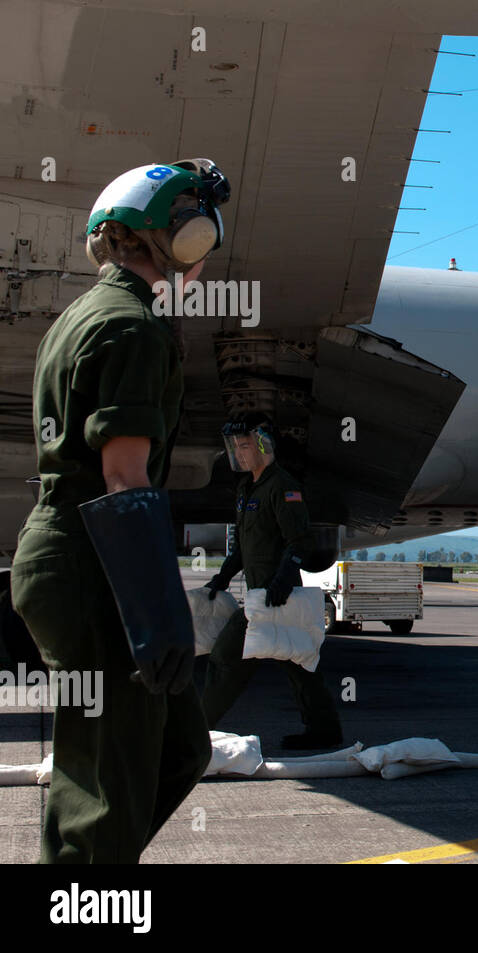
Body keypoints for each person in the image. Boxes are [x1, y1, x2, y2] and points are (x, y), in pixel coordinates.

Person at [10, 160, 230, 862]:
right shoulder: (134, 326)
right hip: (98, 561)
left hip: (66, 551)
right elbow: (122, 472)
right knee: (105, 787)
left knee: (174, 747)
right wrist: (156, 611)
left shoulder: (79, 316)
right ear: (180, 238)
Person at [201, 413, 343, 750]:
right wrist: (222, 577)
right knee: (300, 666)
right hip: (260, 595)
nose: (239, 452)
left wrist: (281, 580)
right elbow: (243, 546)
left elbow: (300, 540)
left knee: (225, 659)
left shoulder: (283, 487)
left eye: (245, 445)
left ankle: (194, 732)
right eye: (236, 446)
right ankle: (324, 730)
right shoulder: (246, 488)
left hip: (276, 596)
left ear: (264, 445)